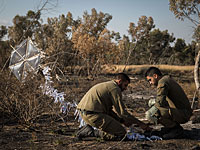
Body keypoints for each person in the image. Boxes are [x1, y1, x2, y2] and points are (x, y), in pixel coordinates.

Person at [75, 73, 151, 140]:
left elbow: (109, 111)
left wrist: (122, 121)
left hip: (85, 113)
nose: (125, 88)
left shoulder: (109, 85)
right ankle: (91, 132)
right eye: (125, 85)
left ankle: (89, 129)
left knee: (117, 128)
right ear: (120, 81)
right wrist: (141, 124)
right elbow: (122, 113)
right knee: (121, 133)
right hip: (93, 115)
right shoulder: (115, 89)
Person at [144, 67, 193, 139]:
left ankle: (175, 129)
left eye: (150, 80)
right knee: (151, 103)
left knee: (151, 113)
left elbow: (160, 103)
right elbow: (162, 101)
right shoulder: (166, 79)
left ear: (155, 76)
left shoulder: (162, 82)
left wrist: (149, 119)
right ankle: (170, 127)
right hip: (182, 111)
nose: (150, 83)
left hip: (183, 114)